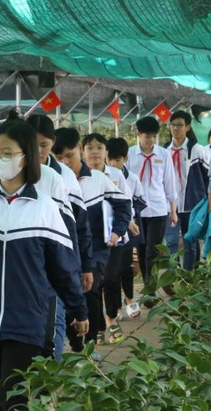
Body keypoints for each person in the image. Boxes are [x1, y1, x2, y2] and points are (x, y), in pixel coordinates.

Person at [0, 113, 88, 411]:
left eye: (8, 153)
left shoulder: (44, 207)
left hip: (28, 319)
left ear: (26, 156)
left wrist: (78, 308)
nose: (0, 159)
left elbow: (61, 264)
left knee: (14, 399)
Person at [52, 127, 130, 351]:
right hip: (63, 250)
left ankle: (91, 342)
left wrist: (117, 231)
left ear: (79, 149)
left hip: (95, 249)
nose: (65, 162)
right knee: (68, 294)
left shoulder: (98, 179)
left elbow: (124, 204)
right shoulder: (51, 180)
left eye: (69, 155)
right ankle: (77, 345)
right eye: (59, 158)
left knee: (91, 290)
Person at [26, 114, 92, 361]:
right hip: (26, 264)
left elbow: (79, 225)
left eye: (44, 145)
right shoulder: (15, 174)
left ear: (52, 142)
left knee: (55, 321)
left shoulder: (63, 176)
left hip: (57, 261)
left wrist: (85, 266)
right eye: (32, 145)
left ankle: (52, 374)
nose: (38, 151)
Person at [80, 133, 133, 345]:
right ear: (82, 152)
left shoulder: (116, 174)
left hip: (113, 237)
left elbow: (126, 202)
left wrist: (124, 225)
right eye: (90, 148)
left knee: (110, 279)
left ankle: (110, 318)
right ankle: (99, 324)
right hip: (91, 241)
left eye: (99, 148)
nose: (95, 152)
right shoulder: (74, 178)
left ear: (106, 152)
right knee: (94, 285)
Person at [125, 116, 179, 284]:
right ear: (139, 135)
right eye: (147, 136)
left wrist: (173, 210)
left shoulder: (164, 154)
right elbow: (125, 183)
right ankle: (148, 283)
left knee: (153, 251)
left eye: (154, 136)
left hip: (158, 209)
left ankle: (151, 286)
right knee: (141, 250)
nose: (151, 140)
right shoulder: (129, 155)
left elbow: (170, 183)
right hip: (137, 211)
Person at [106, 137, 147, 322]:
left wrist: (130, 216)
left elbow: (140, 200)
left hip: (127, 228)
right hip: (108, 230)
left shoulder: (132, 178)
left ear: (125, 159)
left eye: (117, 160)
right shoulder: (101, 177)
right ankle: (114, 308)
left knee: (125, 267)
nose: (113, 163)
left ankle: (129, 298)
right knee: (111, 272)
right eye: (110, 159)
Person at [163, 111, 210, 271]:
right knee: (171, 242)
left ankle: (189, 277)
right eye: (173, 125)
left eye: (180, 125)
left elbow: (207, 175)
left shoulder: (197, 149)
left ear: (188, 127)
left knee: (190, 243)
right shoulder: (165, 150)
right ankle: (173, 276)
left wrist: (204, 200)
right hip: (171, 205)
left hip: (192, 204)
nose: (175, 128)